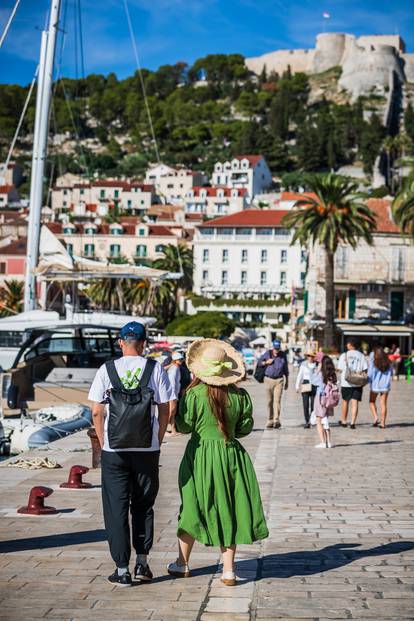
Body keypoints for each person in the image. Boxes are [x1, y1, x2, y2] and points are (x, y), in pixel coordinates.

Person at [167, 339, 269, 585]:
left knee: (191, 506)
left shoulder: (192, 395)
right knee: (229, 508)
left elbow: (183, 426)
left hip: (200, 456)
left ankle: (182, 564)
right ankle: (229, 571)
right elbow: (245, 428)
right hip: (231, 455)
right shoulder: (240, 395)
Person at [89, 321, 174, 587]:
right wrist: (156, 440)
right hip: (146, 450)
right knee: (143, 506)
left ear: (120, 342)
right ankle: (143, 564)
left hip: (115, 450)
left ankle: (122, 569)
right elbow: (165, 409)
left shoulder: (107, 369)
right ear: (144, 343)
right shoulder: (155, 367)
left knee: (116, 508)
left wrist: (104, 443)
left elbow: (96, 411)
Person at [337, 337, 368, 429]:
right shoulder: (361, 356)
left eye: (347, 343)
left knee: (345, 401)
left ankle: (344, 421)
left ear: (350, 344)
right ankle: (353, 422)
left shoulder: (344, 355)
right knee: (355, 402)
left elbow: (340, 369)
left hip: (346, 382)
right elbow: (365, 369)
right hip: (357, 382)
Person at [311, 352, 339, 448]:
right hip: (329, 400)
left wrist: (317, 370)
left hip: (321, 399)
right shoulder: (332, 375)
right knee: (325, 420)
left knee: (319, 420)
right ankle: (329, 442)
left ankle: (323, 442)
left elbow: (313, 381)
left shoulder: (321, 375)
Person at [259, 339, 289, 429]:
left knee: (277, 401)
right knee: (269, 401)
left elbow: (286, 369)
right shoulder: (267, 353)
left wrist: (287, 381)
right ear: (273, 347)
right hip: (268, 380)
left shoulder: (283, 355)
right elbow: (259, 363)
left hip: (279, 380)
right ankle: (270, 419)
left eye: (278, 348)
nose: (276, 350)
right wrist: (266, 362)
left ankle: (276, 420)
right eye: (275, 348)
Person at [368, 346, 392, 428]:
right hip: (385, 386)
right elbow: (391, 373)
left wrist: (367, 381)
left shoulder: (373, 362)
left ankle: (375, 417)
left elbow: (370, 375)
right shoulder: (388, 362)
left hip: (375, 386)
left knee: (371, 402)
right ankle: (383, 423)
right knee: (383, 404)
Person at [295, 350, 317, 428]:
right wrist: (297, 386)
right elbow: (299, 375)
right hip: (306, 384)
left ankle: (312, 420)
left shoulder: (317, 364)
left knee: (314, 405)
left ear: (314, 357)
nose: (310, 357)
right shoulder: (303, 365)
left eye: (312, 356)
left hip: (314, 384)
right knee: (305, 404)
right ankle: (307, 421)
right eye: (308, 356)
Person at [163, 354, 181, 435]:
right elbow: (172, 381)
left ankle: (173, 430)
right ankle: (164, 430)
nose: (182, 360)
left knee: (172, 413)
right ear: (175, 360)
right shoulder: (175, 368)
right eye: (180, 359)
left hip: (172, 393)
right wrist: (173, 394)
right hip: (172, 393)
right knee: (171, 411)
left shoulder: (174, 367)